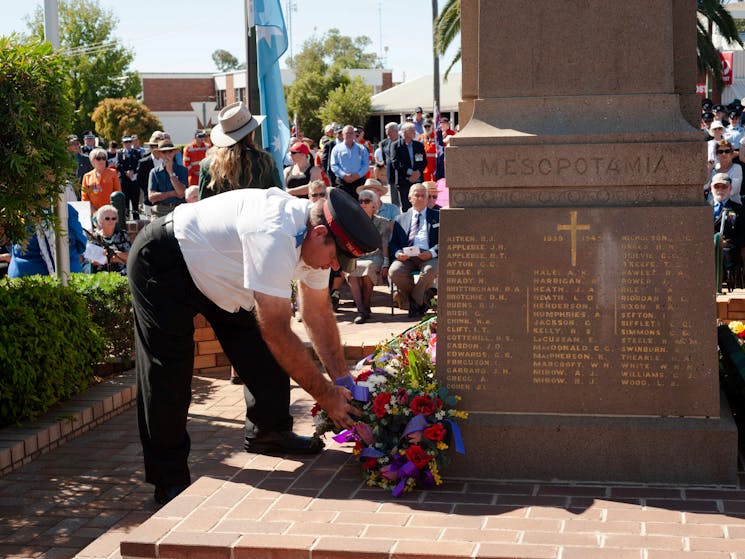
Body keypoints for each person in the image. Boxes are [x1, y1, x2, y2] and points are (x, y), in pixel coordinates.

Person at [127, 187, 380, 505]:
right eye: (334, 258)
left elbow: (317, 315)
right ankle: (168, 480)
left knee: (264, 355)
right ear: (318, 234)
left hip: (223, 278)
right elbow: (278, 332)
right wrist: (326, 396)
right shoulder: (274, 233)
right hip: (164, 260)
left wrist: (343, 382)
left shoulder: (315, 241)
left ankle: (269, 433)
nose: (333, 268)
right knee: (168, 374)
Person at [198, 102, 281, 200]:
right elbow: (279, 198)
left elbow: (203, 205)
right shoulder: (265, 161)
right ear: (251, 133)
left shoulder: (208, 165)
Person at [388, 183, 439, 318]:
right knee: (394, 271)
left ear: (428, 198)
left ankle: (413, 302)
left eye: (424, 196)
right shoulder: (400, 219)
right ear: (410, 198)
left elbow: (445, 240)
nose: (421, 198)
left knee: (430, 270)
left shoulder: (438, 216)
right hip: (407, 256)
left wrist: (432, 252)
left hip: (428, 255)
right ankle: (421, 299)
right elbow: (393, 243)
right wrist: (398, 253)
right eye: (417, 195)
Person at [347, 189, 392, 324]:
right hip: (357, 255)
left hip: (375, 255)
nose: (363, 204)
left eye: (366, 201)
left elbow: (384, 244)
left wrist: (385, 262)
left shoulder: (383, 222)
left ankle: (365, 306)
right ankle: (361, 310)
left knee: (368, 269)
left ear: (374, 203)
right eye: (360, 201)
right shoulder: (353, 222)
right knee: (351, 271)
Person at [8, 204, 87, 277]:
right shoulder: (66, 209)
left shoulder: (15, 211)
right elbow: (81, 244)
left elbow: (9, 243)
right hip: (64, 278)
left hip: (21, 277)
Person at [712, 173, 745, 289]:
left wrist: (727, 242)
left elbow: (742, 235)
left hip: (730, 251)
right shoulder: (704, 208)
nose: (720, 190)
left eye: (724, 186)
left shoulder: (739, 209)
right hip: (705, 249)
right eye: (717, 186)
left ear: (730, 188)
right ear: (711, 188)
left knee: (728, 252)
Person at [391, 122, 427, 211]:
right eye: (412, 131)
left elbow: (423, 161)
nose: (415, 133)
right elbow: (395, 162)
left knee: (419, 206)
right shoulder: (396, 146)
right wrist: (410, 173)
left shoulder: (418, 145)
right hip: (403, 181)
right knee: (406, 207)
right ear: (405, 132)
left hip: (418, 180)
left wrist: (418, 172)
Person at [148, 140, 188, 218]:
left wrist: (171, 173)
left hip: (178, 209)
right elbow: (151, 197)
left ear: (174, 153)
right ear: (160, 155)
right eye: (164, 152)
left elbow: (181, 193)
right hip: (159, 211)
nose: (167, 154)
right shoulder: (154, 172)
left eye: (170, 151)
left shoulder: (183, 170)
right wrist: (172, 193)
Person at [89, 205, 130, 274]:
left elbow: (130, 257)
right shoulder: (95, 237)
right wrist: (115, 258)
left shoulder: (123, 235)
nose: (111, 221)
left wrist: (116, 254)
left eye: (113, 218)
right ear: (101, 220)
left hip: (123, 273)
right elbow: (93, 261)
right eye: (107, 218)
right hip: (103, 275)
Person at [330, 125, 369, 198]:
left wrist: (358, 175)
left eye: (351, 133)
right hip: (342, 182)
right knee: (343, 206)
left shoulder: (362, 148)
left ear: (354, 134)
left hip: (359, 181)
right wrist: (343, 175)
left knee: (359, 205)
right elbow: (334, 165)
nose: (349, 135)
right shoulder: (336, 149)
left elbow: (366, 165)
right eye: (347, 133)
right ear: (343, 134)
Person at [81, 148, 122, 216]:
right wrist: (95, 213)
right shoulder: (87, 176)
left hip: (110, 213)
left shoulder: (113, 173)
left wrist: (110, 211)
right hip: (93, 214)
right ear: (92, 161)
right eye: (98, 158)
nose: (102, 160)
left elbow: (118, 193)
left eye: (104, 158)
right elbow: (84, 197)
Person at [705, 140, 743, 204]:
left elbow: (734, 191)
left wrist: (714, 189)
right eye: (720, 151)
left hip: (732, 207)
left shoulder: (737, 168)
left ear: (731, 153)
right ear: (716, 154)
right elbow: (705, 187)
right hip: (711, 205)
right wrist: (709, 170)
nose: (724, 154)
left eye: (727, 151)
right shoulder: (712, 168)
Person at [116, 136, 142, 220]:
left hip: (134, 181)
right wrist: (125, 172)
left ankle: (137, 220)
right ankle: (126, 221)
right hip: (124, 181)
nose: (128, 144)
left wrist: (133, 171)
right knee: (125, 202)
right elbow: (117, 164)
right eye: (126, 142)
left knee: (135, 202)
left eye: (129, 142)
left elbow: (140, 164)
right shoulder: (120, 153)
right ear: (123, 144)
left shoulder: (136, 152)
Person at [380, 122, 401, 206]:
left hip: (402, 173)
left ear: (396, 131)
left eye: (389, 133)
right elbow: (384, 158)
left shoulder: (403, 141)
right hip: (390, 173)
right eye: (386, 134)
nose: (388, 136)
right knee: (394, 198)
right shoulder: (384, 143)